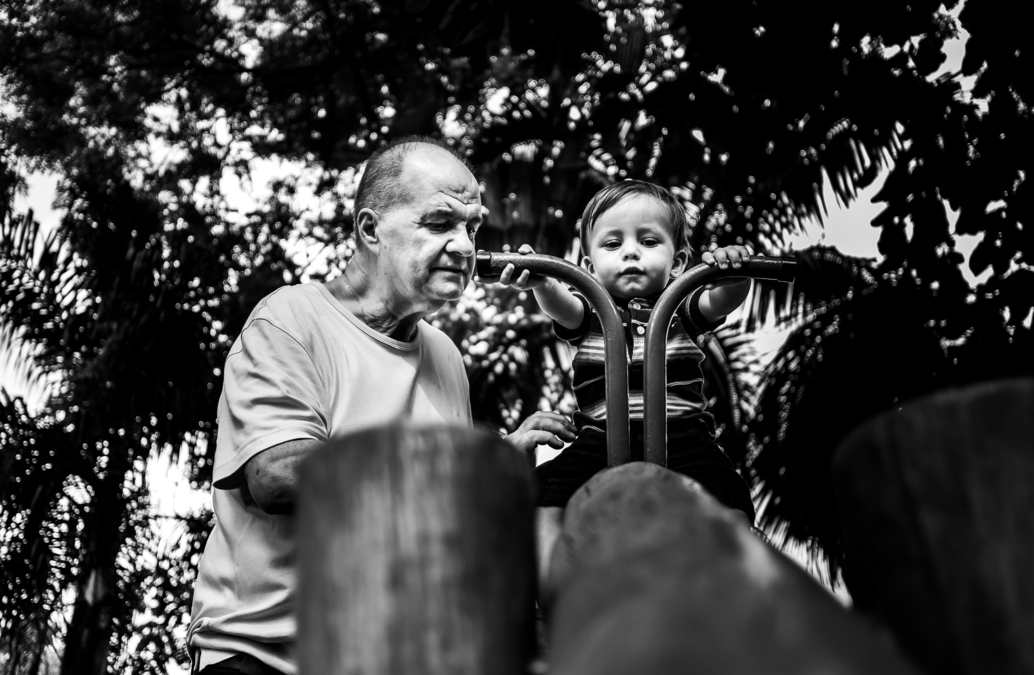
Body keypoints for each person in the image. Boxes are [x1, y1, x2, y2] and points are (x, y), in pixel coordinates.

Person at [187, 137, 575, 675]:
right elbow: (276, 475)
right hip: (265, 656)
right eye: (439, 223)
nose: (465, 246)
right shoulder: (290, 318)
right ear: (370, 230)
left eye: (472, 227)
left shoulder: (445, 357)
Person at [489, 179, 756, 586]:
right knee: (546, 490)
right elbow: (561, 304)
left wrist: (735, 276)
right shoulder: (591, 313)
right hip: (600, 438)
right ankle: (553, 583)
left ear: (679, 262)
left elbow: (720, 299)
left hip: (682, 435)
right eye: (612, 244)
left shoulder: (680, 309)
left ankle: (732, 579)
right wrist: (543, 282)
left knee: (727, 489)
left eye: (648, 241)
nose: (630, 252)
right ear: (589, 266)